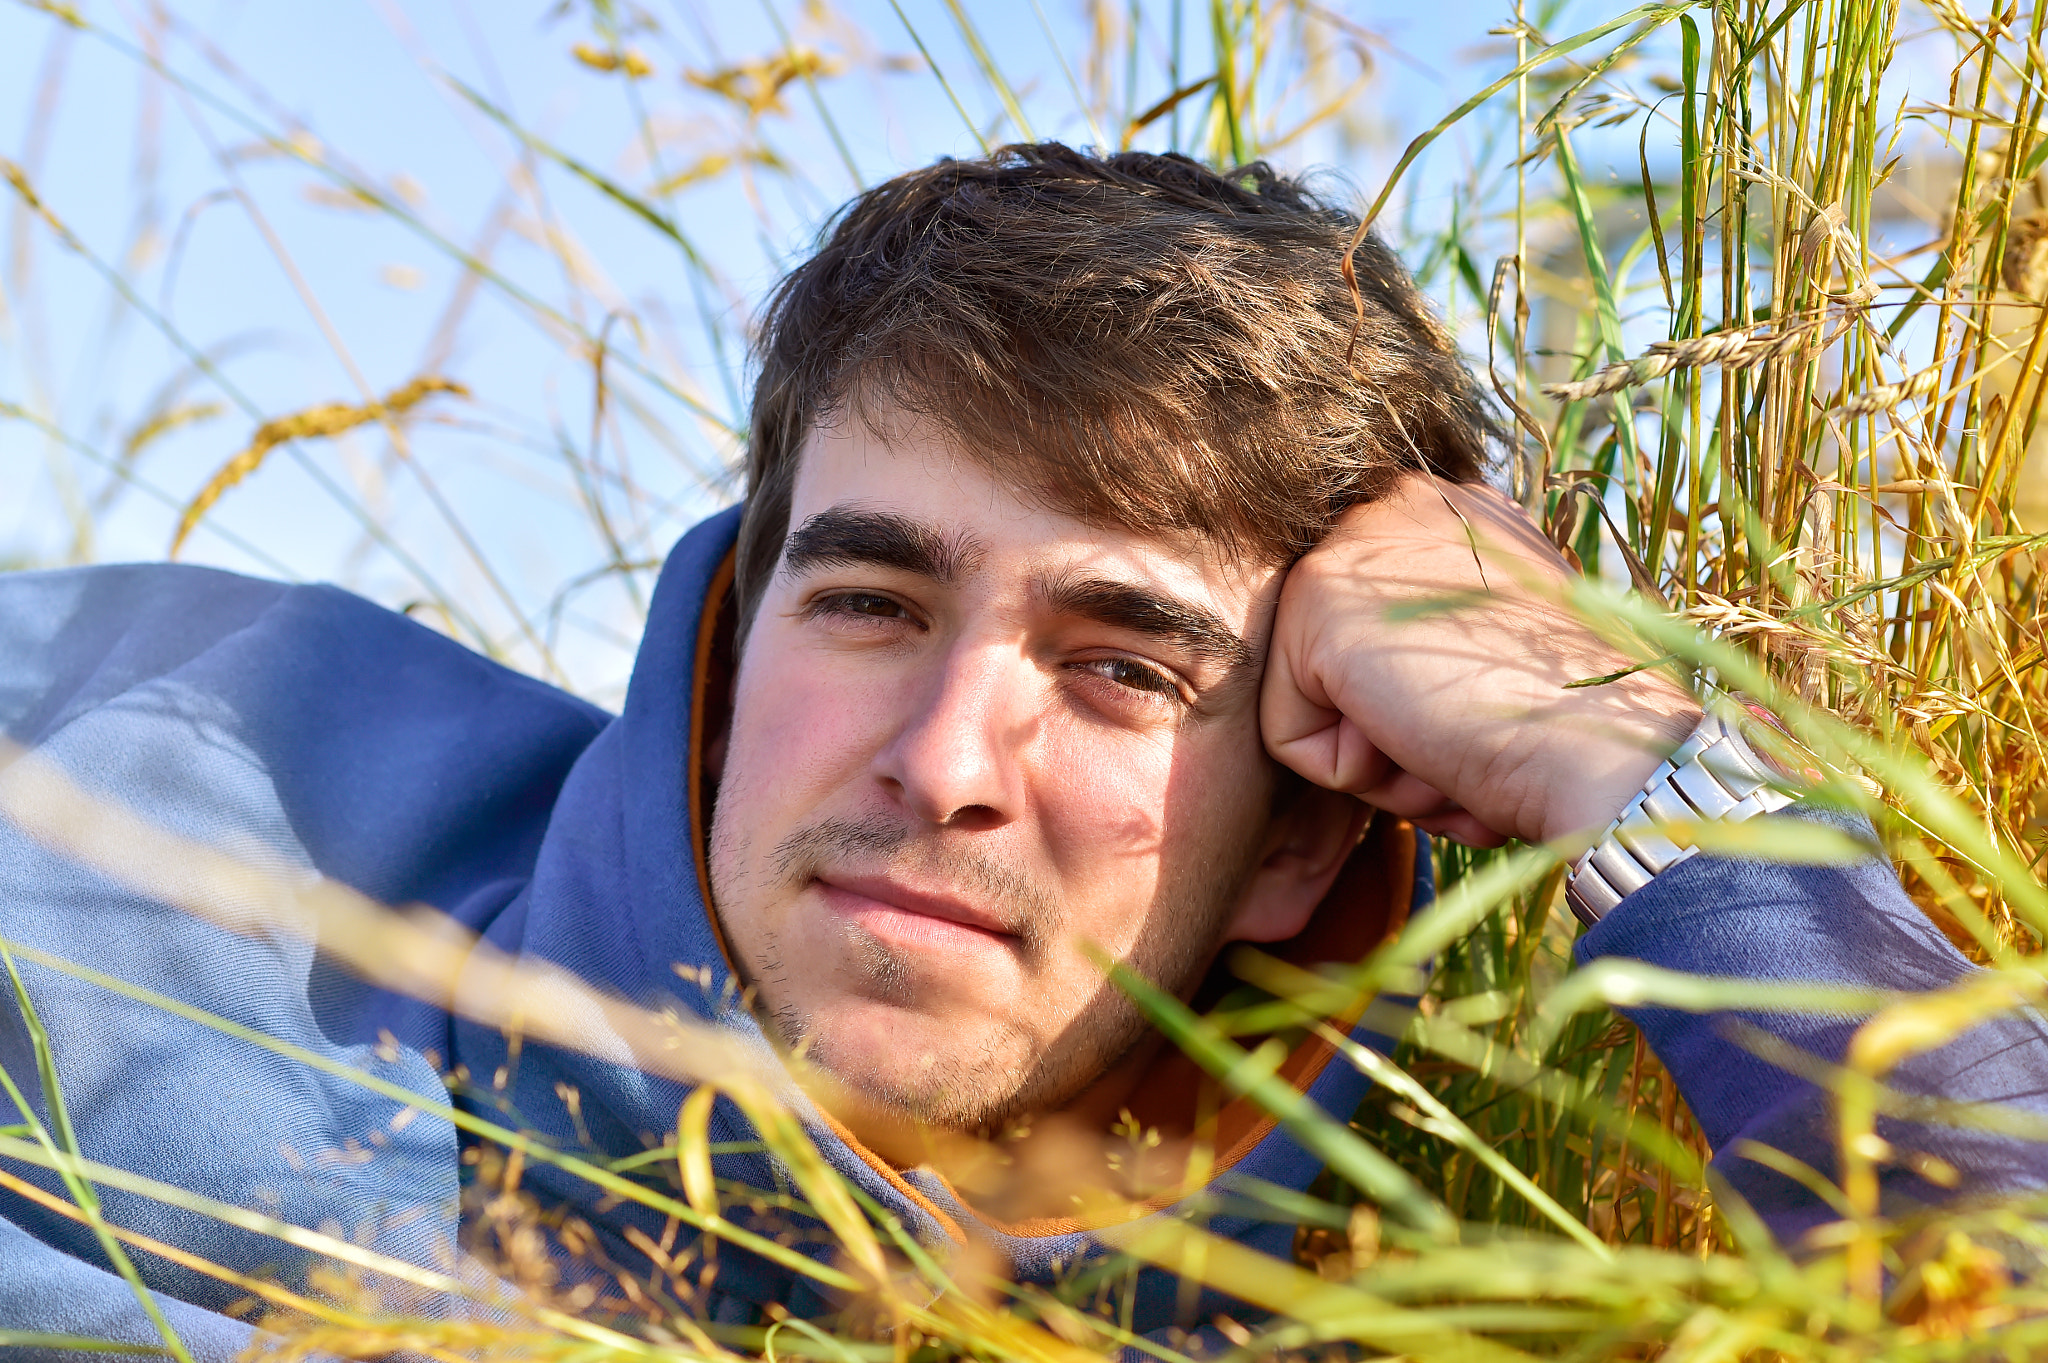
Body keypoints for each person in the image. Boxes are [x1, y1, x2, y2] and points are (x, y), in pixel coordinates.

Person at [0, 143, 2042, 1356]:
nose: (945, 757)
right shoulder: (175, 829)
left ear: (1301, 846)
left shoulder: (1374, 1272)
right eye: (871, 600)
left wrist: (1643, 776)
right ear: (735, 616)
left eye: (1123, 662)